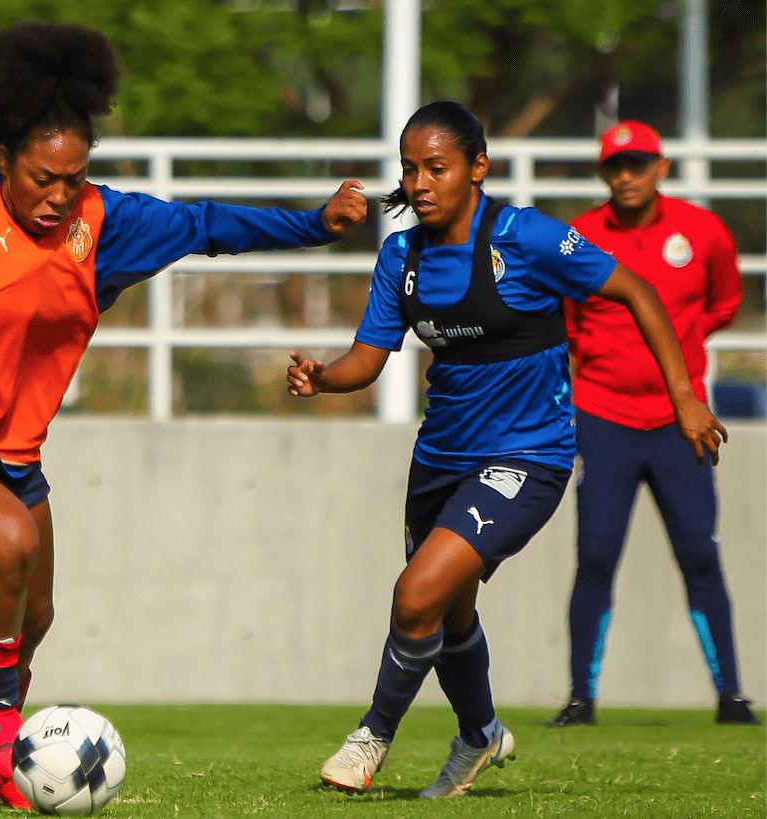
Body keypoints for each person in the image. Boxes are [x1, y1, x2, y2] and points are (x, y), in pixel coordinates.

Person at [0, 20, 368, 809]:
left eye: (72, 177)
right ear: (3, 160)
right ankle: (0, 727)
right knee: (5, 538)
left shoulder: (101, 225)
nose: (57, 195)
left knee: (36, 611)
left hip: (11, 454)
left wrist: (313, 225)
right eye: (40, 177)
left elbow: (204, 225)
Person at [286, 101, 727, 798]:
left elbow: (635, 289)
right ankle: (479, 735)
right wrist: (321, 376)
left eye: (436, 166)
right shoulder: (400, 255)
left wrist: (683, 396)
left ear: (476, 168)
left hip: (528, 455)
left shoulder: (526, 238)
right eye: (409, 168)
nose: (420, 182)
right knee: (446, 611)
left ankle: (371, 735)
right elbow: (365, 360)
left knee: (414, 594)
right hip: (439, 457)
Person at [547, 121, 759, 728]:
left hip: (678, 421)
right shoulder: (581, 236)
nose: (626, 177)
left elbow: (722, 304)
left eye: (638, 164)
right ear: (603, 174)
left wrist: (681, 360)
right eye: (615, 167)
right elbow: (563, 317)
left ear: (661, 168)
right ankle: (580, 699)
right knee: (595, 555)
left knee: (699, 552)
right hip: (603, 417)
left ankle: (732, 697)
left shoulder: (702, 231)